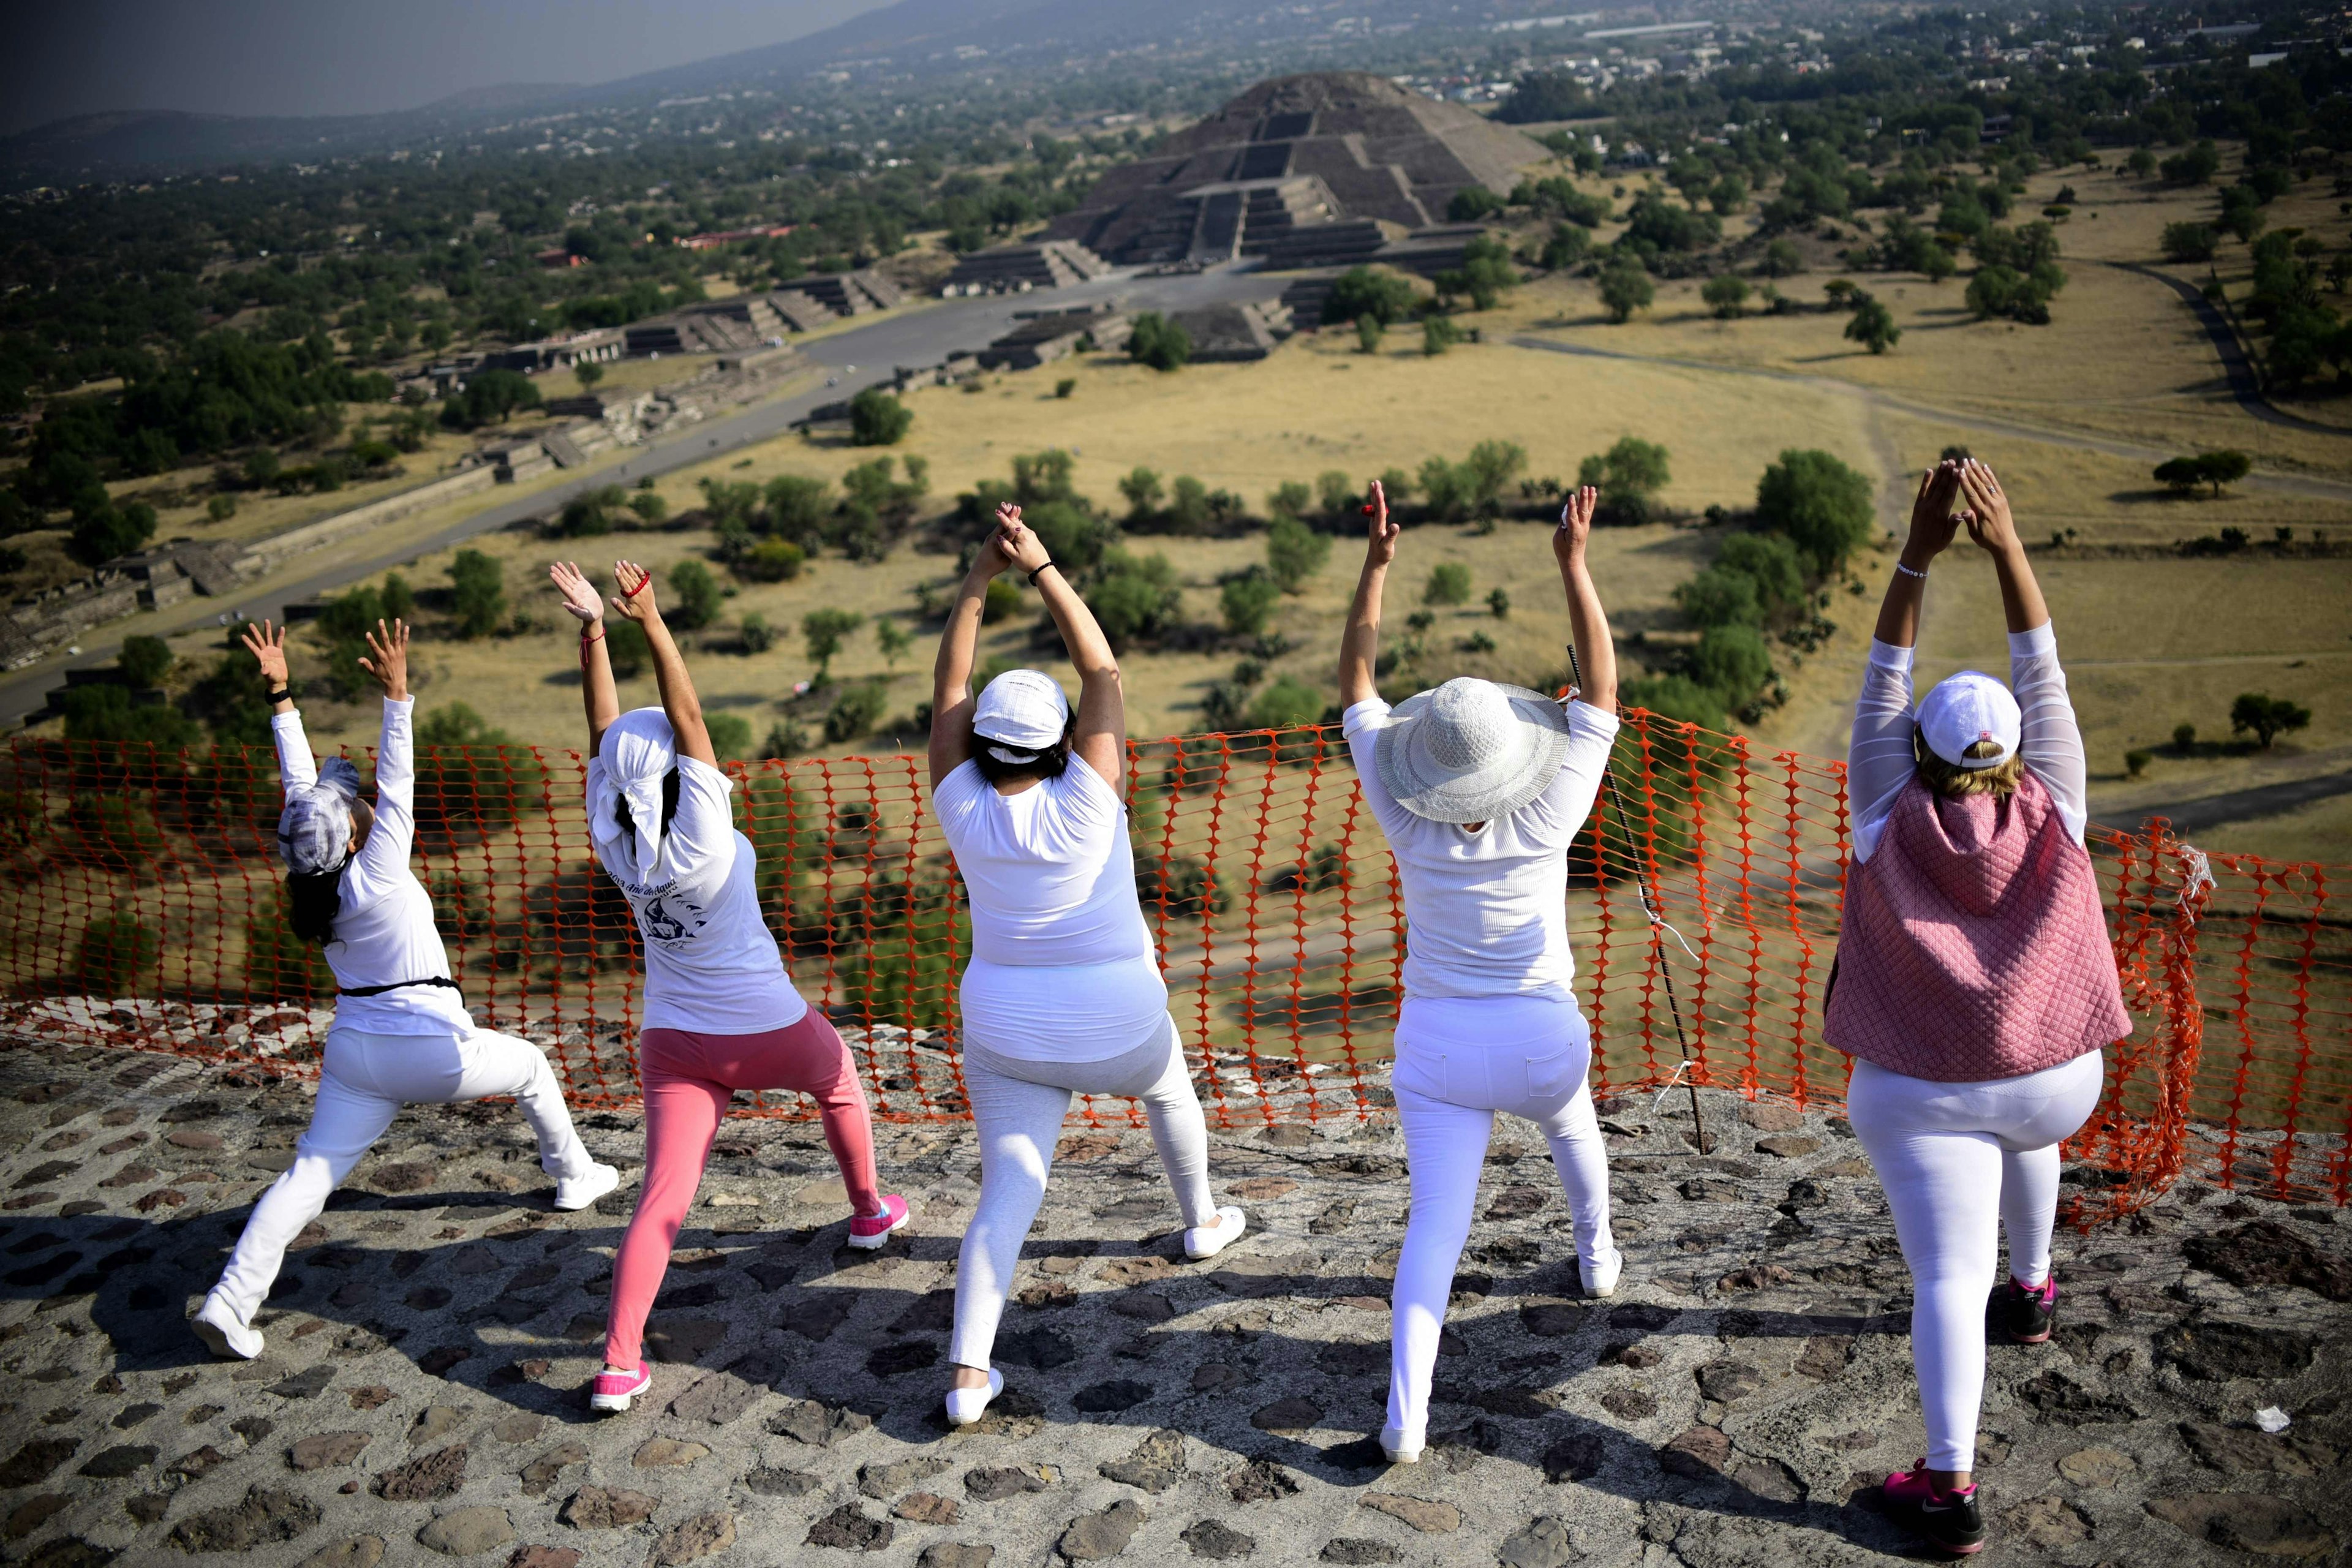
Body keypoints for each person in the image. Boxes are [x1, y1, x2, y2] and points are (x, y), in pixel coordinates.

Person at [1833, 459, 2126, 1557]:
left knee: (1939, 1279)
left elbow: (1881, 672)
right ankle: (2036, 1287)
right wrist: (2006, 544)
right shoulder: (2058, 793)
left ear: (1917, 749)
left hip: (1918, 1092)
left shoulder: (1880, 805)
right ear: (2013, 751)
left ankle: (1948, 1489)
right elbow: (2039, 667)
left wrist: (1919, 547)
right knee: (2027, 1126)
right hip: (2056, 1076)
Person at [193, 619, 618, 1360]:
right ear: (354, 835)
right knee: (531, 1066)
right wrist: (398, 696)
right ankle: (574, 1176)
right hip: (429, 1046)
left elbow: (302, 798)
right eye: (350, 806)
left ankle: (231, 1301)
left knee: (309, 1176)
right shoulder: (378, 867)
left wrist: (281, 693)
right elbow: (401, 780)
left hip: (357, 1052)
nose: (353, 800)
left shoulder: (311, 873)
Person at [551, 560, 907, 1415]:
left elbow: (610, 742)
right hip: (768, 1026)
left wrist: (593, 633)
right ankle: (868, 1212)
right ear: (680, 775)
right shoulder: (705, 831)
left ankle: (618, 1364)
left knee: (661, 1198)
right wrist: (650, 622)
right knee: (839, 1076)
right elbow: (688, 717)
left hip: (674, 1042)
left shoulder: (614, 835)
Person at [928, 503, 1246, 1429]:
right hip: (1118, 1022)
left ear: (983, 743)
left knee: (1011, 1188)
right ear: (1061, 741)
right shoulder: (1092, 796)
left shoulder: (959, 801)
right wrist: (1038, 567)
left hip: (1005, 1030)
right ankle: (1201, 1223)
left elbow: (950, 685)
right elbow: (1103, 667)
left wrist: (977, 580)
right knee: (1169, 1087)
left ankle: (965, 1375)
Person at [1338, 481, 1624, 1466]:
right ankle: (1596, 1259)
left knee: (1435, 1233)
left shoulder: (1401, 810)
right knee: (1573, 1122)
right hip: (1543, 1035)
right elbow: (1604, 695)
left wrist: (1376, 563)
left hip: (1439, 1047)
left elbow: (1358, 693)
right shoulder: (1550, 814)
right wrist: (1572, 564)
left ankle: (1406, 1419)